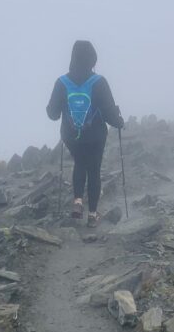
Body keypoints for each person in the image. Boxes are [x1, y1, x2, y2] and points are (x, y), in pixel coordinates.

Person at [46, 40, 124, 227]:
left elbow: (53, 114)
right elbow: (109, 113)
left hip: (71, 135)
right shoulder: (99, 82)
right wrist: (119, 122)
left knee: (80, 162)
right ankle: (92, 215)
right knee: (94, 169)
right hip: (95, 135)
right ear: (92, 58)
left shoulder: (62, 82)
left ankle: (78, 202)